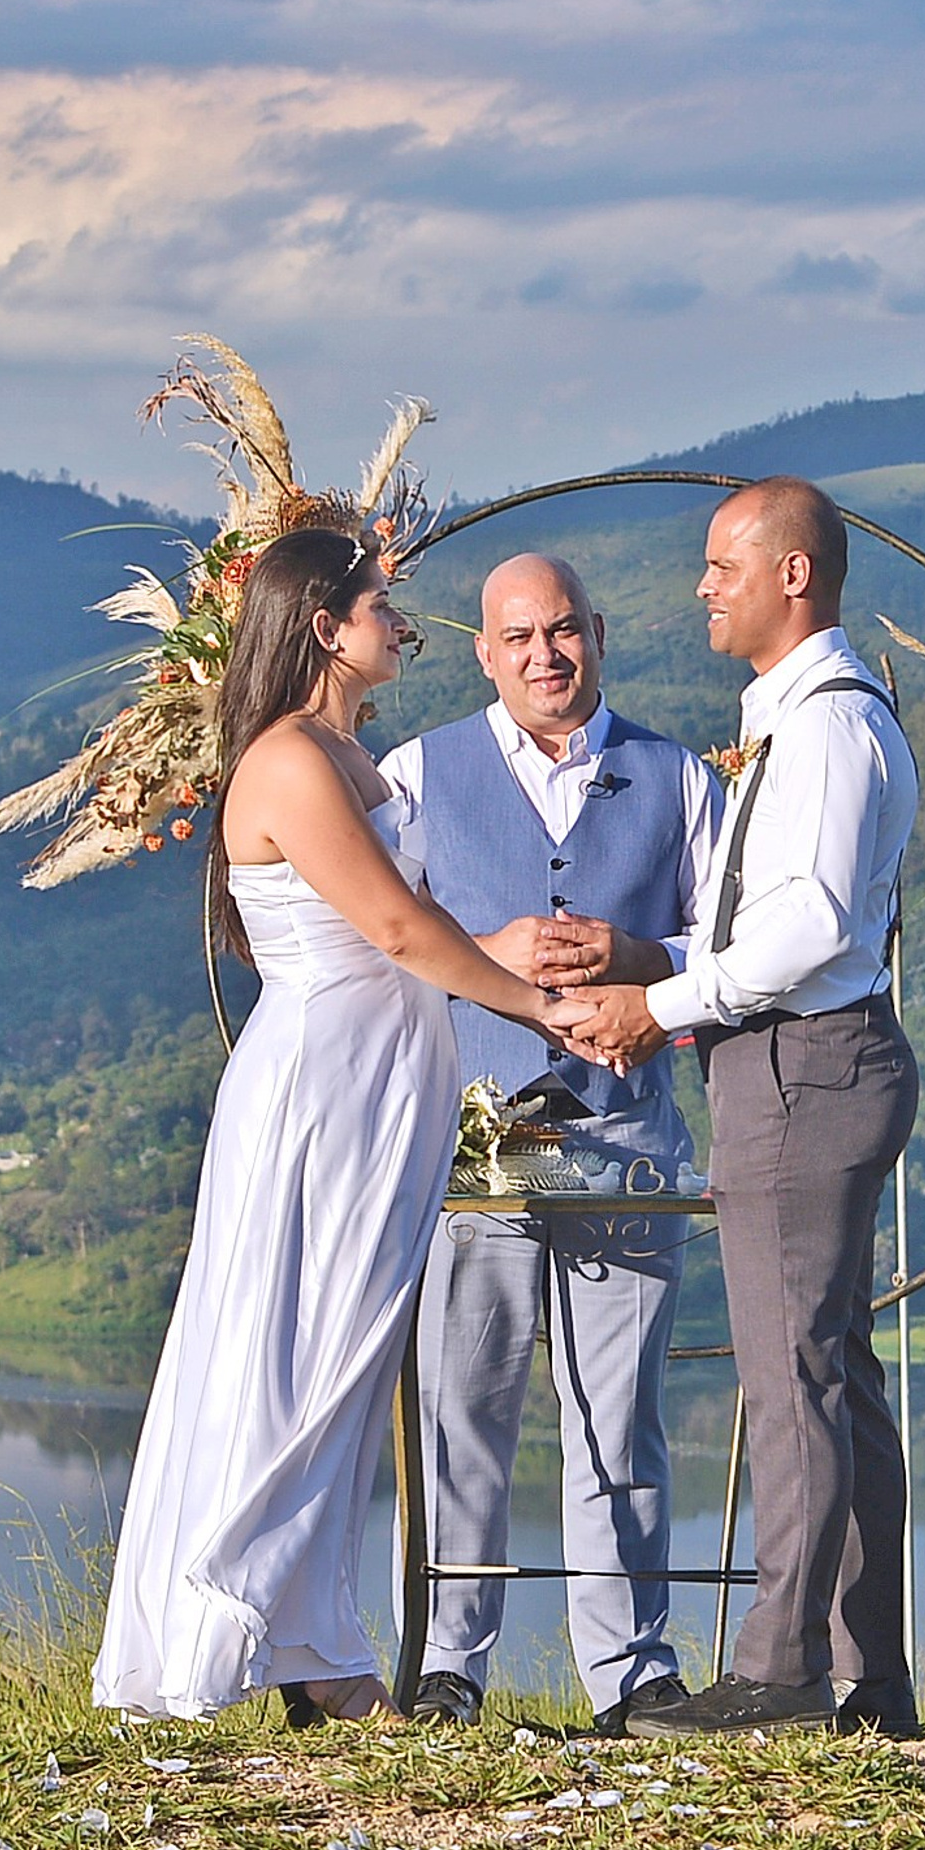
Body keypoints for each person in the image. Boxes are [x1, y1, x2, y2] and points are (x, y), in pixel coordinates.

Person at [91, 526, 592, 1724]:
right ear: (326, 627)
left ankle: (312, 1642)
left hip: (384, 1093)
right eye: (381, 606)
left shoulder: (349, 755)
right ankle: (235, 1624)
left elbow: (427, 918)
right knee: (289, 1355)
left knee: (349, 1360)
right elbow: (401, 934)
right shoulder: (288, 763)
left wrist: (509, 951)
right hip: (321, 1095)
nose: (397, 624)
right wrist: (541, 1007)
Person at [566, 478, 921, 1737]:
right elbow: (771, 923)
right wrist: (644, 960)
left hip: (800, 1068)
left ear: (792, 576)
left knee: (790, 1374)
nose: (702, 585)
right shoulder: (805, 719)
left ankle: (779, 1673)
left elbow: (813, 930)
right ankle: (867, 1673)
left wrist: (654, 1011)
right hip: (805, 1057)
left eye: (723, 564)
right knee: (831, 1369)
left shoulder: (824, 730)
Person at [379, 553, 719, 1736]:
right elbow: (381, 942)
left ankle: (630, 1673)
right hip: (476, 1139)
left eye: (563, 631)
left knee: (616, 1413)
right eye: (518, 636)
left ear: (599, 634)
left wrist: (634, 961)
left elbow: (725, 951)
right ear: (483, 651)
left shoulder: (679, 779)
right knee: (460, 1402)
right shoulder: (418, 772)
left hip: (626, 1137)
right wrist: (496, 944)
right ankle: (448, 1665)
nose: (544, 655)